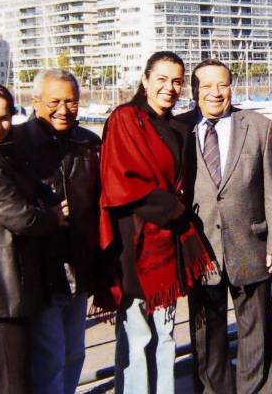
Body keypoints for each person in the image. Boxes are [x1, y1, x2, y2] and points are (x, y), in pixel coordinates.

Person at [0, 69, 101, 394]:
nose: (63, 109)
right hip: (36, 273)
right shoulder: (14, 143)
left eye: (71, 101)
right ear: (35, 101)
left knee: (74, 354)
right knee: (45, 361)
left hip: (79, 266)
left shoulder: (90, 143)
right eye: (54, 101)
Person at [95, 51, 215, 394]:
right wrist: (175, 210)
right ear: (145, 80)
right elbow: (122, 181)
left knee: (164, 333)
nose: (170, 87)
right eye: (162, 79)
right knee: (137, 334)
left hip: (167, 244)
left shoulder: (175, 126)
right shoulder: (125, 118)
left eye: (177, 81)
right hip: (135, 244)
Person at [182, 59, 272, 394]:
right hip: (200, 250)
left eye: (223, 84)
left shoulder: (256, 125)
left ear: (232, 87)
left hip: (251, 245)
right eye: (207, 85)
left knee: (256, 333)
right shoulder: (180, 128)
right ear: (194, 90)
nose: (216, 92)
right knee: (207, 336)